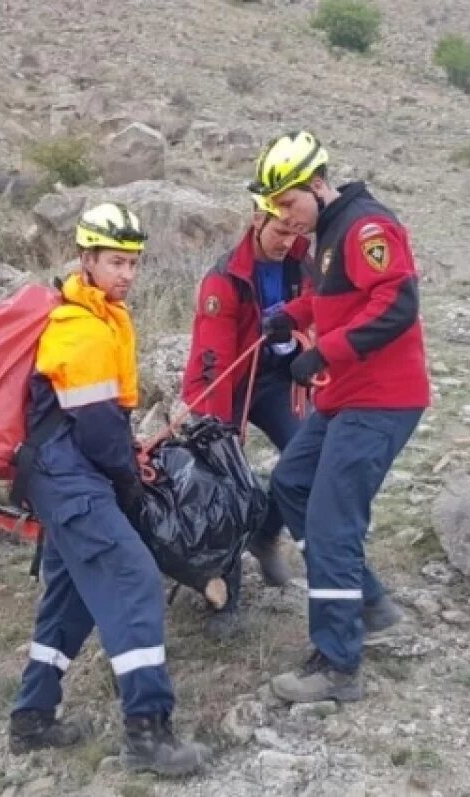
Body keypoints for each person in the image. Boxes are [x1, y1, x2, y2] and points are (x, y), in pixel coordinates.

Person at [7, 203, 207, 776]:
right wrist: (129, 481)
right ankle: (148, 732)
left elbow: (97, 424)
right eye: (116, 262)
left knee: (70, 595)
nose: (127, 273)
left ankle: (31, 718)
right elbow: (97, 429)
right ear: (86, 259)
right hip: (71, 480)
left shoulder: (99, 318)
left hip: (62, 476)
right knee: (134, 578)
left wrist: (122, 466)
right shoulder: (84, 329)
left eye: (134, 263)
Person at [248, 131, 430, 703]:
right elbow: (337, 296)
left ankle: (337, 664)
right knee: (292, 482)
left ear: (317, 184)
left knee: (331, 525)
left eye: (289, 202)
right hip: (347, 398)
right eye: (276, 207)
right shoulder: (327, 232)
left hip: (381, 399)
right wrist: (291, 314)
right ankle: (370, 603)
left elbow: (396, 304)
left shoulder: (366, 227)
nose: (285, 217)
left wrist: (326, 351)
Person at [179, 202, 314, 638]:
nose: (287, 242)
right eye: (280, 231)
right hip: (226, 383)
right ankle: (225, 598)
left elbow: (319, 305)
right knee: (225, 486)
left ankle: (265, 533)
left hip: (275, 379)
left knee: (308, 456)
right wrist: (218, 433)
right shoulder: (224, 279)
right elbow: (213, 361)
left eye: (294, 232)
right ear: (258, 220)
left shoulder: (301, 262)